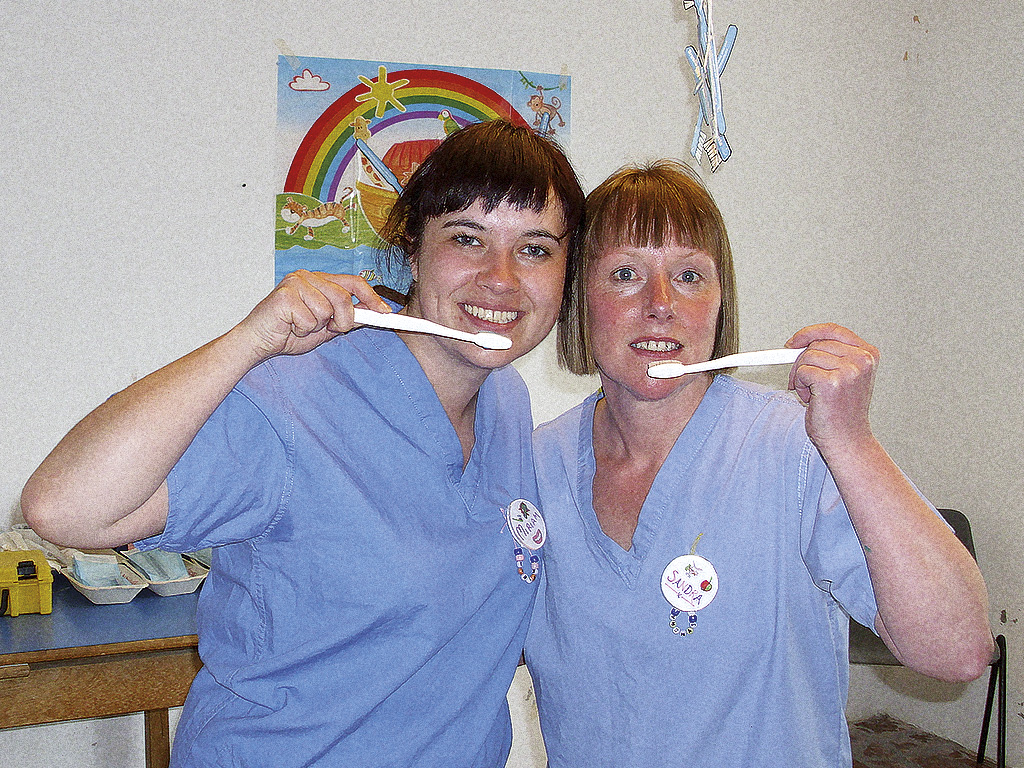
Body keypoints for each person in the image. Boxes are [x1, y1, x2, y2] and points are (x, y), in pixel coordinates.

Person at [21, 119, 585, 767]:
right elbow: (62, 509)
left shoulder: (507, 403)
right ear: (411, 246)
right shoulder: (298, 398)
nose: (501, 277)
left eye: (536, 249)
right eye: (467, 238)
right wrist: (247, 342)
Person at [523, 160, 994, 767]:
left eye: (689, 275)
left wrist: (850, 440)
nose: (660, 304)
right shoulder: (535, 464)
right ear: (580, 301)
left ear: (721, 303)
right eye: (624, 275)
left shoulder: (797, 444)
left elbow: (957, 650)